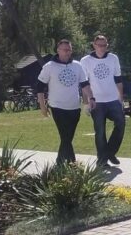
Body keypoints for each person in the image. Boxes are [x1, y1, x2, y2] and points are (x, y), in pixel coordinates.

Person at [36, 39, 90, 165]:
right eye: (64, 50)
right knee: (65, 136)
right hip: (57, 107)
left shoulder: (77, 65)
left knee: (67, 137)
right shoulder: (49, 66)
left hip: (74, 107)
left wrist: (90, 100)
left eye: (69, 49)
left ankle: (63, 162)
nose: (67, 52)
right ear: (58, 50)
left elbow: (85, 84)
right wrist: (42, 106)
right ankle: (70, 162)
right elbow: (39, 87)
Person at [80, 34, 126, 167]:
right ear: (94, 45)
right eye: (99, 45)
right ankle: (102, 159)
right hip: (96, 101)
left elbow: (118, 78)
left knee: (121, 124)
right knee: (100, 131)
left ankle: (110, 152)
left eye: (104, 45)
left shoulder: (113, 58)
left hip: (113, 99)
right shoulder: (85, 61)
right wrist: (86, 102)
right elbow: (84, 83)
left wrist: (121, 97)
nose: (102, 47)